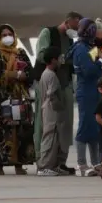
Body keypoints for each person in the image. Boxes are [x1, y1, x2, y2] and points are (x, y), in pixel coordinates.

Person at [33, 11, 82, 174]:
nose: (76, 31)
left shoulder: (70, 39)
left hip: (65, 84)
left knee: (65, 124)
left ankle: (60, 162)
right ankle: (43, 161)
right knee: (46, 124)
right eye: (75, 26)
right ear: (67, 22)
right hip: (48, 84)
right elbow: (41, 55)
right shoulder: (48, 33)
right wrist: (61, 58)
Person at [0, 24, 35, 175]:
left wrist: (14, 75)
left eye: (10, 34)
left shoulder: (21, 53)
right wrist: (17, 75)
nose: (8, 37)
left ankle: (19, 165)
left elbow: (30, 74)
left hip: (20, 98)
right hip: (0, 101)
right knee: (0, 131)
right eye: (4, 35)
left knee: (21, 131)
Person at [69, 18, 102, 177]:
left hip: (93, 91)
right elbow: (90, 70)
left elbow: (96, 63)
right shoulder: (81, 49)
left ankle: (96, 163)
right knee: (85, 127)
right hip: (86, 92)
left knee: (94, 128)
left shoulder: (88, 48)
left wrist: (100, 61)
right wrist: (101, 63)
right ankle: (81, 164)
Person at [37, 47, 67, 176]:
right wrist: (59, 107)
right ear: (53, 60)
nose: (61, 60)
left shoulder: (45, 73)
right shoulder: (51, 75)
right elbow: (51, 94)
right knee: (49, 137)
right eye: (59, 58)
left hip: (47, 107)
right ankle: (44, 166)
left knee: (54, 138)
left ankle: (52, 165)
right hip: (51, 109)